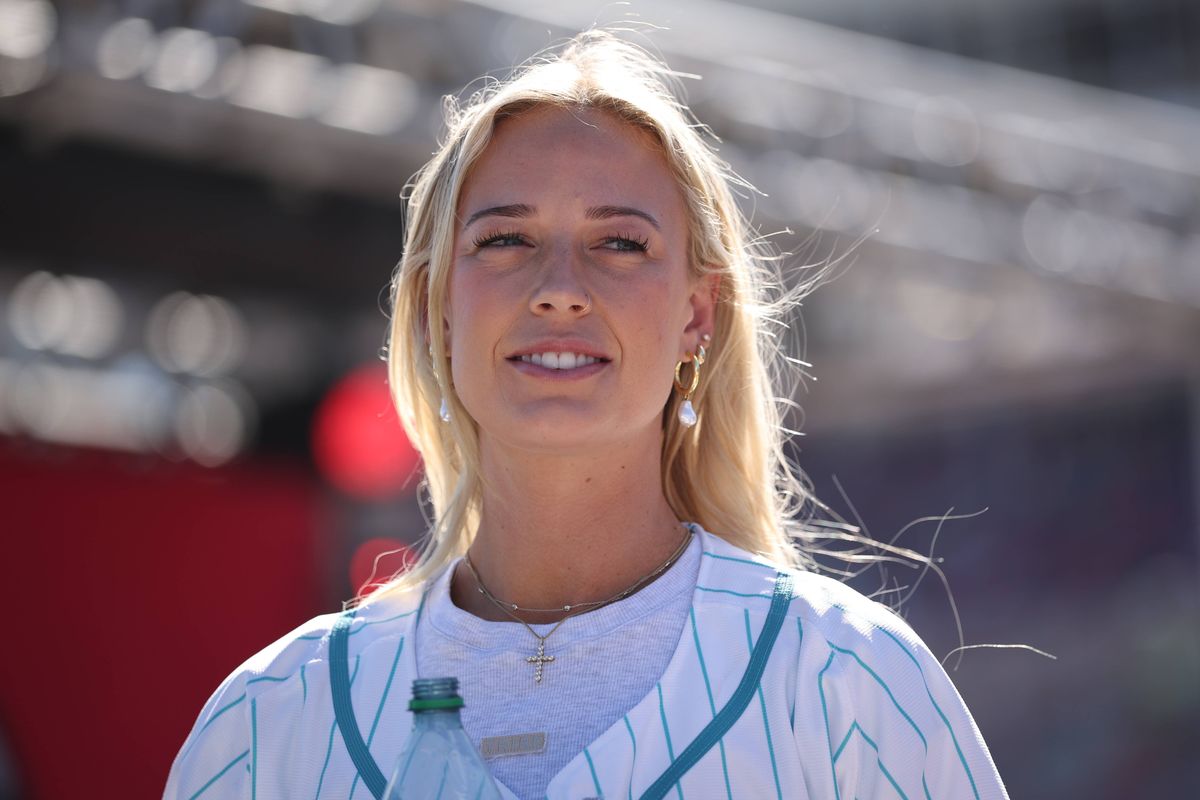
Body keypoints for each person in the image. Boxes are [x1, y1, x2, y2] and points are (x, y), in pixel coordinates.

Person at [165, 30, 1009, 800]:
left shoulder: (843, 681)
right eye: (504, 240)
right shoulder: (267, 722)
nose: (560, 288)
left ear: (696, 314)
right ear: (438, 309)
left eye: (620, 243)